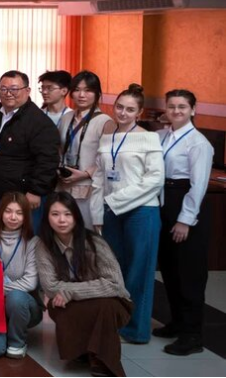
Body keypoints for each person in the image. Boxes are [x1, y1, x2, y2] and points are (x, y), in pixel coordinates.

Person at [90, 83, 164, 344]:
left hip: (141, 211)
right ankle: (118, 321)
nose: (123, 113)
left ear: (139, 113)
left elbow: (155, 179)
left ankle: (136, 330)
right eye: (119, 107)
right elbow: (99, 177)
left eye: (130, 109)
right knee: (115, 270)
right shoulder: (107, 138)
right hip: (112, 212)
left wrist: (116, 200)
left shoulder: (149, 138)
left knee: (138, 272)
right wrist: (98, 213)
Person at [37, 192, 131, 378]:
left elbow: (115, 284)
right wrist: (71, 293)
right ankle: (82, 350)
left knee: (104, 306)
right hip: (68, 301)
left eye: (67, 214)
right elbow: (50, 287)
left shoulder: (94, 242)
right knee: (58, 304)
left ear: (76, 217)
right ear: (47, 217)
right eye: (55, 214)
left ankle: (101, 359)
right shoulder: (43, 245)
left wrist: (70, 291)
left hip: (111, 303)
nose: (61, 220)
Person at [154, 89, 215, 355]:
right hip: (165, 201)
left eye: (182, 106)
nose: (176, 111)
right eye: (172, 106)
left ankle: (192, 335)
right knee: (170, 268)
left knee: (190, 272)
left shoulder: (198, 143)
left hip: (186, 204)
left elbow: (198, 185)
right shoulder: (162, 135)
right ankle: (177, 322)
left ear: (193, 110)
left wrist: (185, 220)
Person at [0, 70, 59, 231]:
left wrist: (36, 191)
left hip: (24, 196)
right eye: (3, 89)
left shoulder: (39, 122)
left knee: (24, 239)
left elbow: (47, 160)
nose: (8, 93)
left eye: (14, 89)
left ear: (27, 91)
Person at [0, 192, 41, 360]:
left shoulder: (33, 242)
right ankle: (1, 331)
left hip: (24, 306)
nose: (13, 217)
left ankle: (17, 342)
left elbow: (30, 282)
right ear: (0, 213)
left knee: (16, 297)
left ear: (26, 216)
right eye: (8, 211)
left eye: (19, 213)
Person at [57, 71, 110, 227]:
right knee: (63, 228)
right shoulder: (66, 117)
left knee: (85, 231)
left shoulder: (105, 121)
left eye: (88, 90)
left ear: (97, 94)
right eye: (77, 90)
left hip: (89, 186)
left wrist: (85, 174)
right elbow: (60, 148)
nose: (81, 95)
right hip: (64, 184)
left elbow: (107, 159)